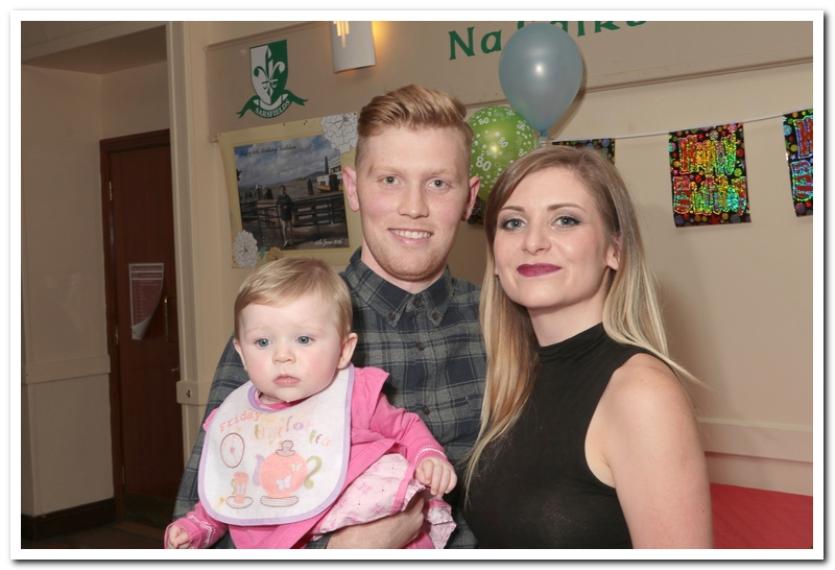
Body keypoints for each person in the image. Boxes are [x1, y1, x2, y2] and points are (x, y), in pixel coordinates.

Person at [174, 84, 485, 549]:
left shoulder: (500, 322)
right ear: (351, 188)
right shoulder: (283, 329)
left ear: (468, 198)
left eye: (438, 183)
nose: (414, 207)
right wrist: (343, 551)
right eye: (389, 180)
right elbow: (203, 527)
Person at [463, 145, 712, 548]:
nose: (533, 242)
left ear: (614, 249)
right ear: (494, 255)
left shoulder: (640, 393)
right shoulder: (511, 380)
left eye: (565, 220)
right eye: (512, 223)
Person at [165, 258, 457, 549]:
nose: (282, 355)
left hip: (384, 526)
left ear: (344, 350)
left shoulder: (355, 395)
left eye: (303, 339)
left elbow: (406, 428)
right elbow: (230, 490)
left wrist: (428, 456)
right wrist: (198, 526)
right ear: (241, 354)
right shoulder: (234, 421)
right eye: (263, 342)